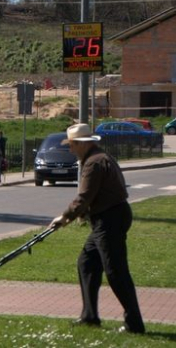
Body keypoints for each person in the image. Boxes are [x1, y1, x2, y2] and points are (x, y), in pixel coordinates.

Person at [49, 123, 145, 334]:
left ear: (81, 144)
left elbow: (84, 197)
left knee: (116, 272)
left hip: (109, 219)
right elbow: (96, 195)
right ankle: (89, 316)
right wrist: (79, 216)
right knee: (87, 263)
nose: (71, 149)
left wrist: (65, 217)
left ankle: (134, 324)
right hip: (111, 216)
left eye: (72, 145)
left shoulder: (93, 163)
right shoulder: (101, 157)